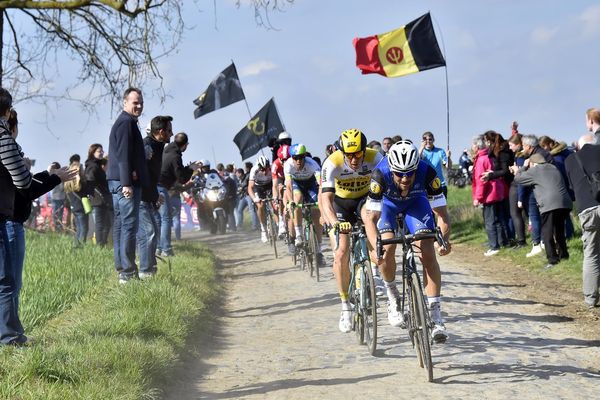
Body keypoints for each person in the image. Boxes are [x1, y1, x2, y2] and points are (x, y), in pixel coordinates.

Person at [366, 140, 451, 343]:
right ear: (392, 169)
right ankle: (393, 296)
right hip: (387, 206)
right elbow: (370, 219)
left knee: (428, 252)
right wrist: (376, 246)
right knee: (386, 249)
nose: (405, 179)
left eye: (410, 173)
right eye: (400, 174)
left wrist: (444, 240)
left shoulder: (427, 172)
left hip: (416, 204)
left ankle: (435, 314)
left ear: (416, 168)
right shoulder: (380, 175)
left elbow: (443, 215)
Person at [319, 129, 384, 333]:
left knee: (369, 219)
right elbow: (325, 200)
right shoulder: (332, 162)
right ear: (342, 152)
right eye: (349, 154)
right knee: (341, 252)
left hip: (364, 200)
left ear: (364, 150)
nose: (354, 159)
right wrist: (334, 223)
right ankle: (345, 305)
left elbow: (387, 187)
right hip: (340, 205)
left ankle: (375, 271)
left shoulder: (375, 157)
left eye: (357, 153)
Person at [106, 87, 150, 283]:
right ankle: (128, 273)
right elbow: (123, 155)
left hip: (118, 181)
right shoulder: (125, 123)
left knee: (122, 225)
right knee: (129, 226)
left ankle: (123, 268)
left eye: (140, 102)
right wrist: (127, 183)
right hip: (124, 184)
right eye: (135, 102)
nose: (139, 106)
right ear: (125, 103)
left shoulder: (128, 122)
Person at [0, 87, 32, 345]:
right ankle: (9, 338)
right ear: (7, 111)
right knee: (6, 281)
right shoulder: (3, 138)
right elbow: (22, 181)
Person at [511, 153, 572, 269]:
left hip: (549, 204)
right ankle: (564, 255)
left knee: (547, 232)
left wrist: (521, 168)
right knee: (558, 230)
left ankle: (552, 260)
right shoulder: (553, 167)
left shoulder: (535, 170)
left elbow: (518, 179)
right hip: (565, 203)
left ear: (532, 163)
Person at [565, 134, 600, 308]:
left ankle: (590, 298)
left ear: (579, 146)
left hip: (586, 209)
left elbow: (571, 186)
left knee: (591, 254)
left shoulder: (570, 160)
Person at [138, 115, 172, 278]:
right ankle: (145, 271)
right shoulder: (147, 147)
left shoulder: (157, 146)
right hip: (140, 197)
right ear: (160, 132)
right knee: (148, 232)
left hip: (149, 195)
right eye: (169, 131)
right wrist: (153, 195)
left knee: (154, 230)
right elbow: (142, 174)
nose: (171, 134)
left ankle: (151, 267)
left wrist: (155, 195)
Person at [158, 132, 201, 256]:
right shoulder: (175, 155)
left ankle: (158, 248)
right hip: (162, 187)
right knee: (166, 218)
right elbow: (181, 178)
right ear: (185, 145)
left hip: (156, 185)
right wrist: (191, 168)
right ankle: (166, 249)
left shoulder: (166, 149)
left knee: (158, 219)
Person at [283, 143, 324, 265]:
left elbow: (321, 185)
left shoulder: (312, 164)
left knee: (317, 212)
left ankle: (318, 250)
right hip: (297, 184)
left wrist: (321, 201)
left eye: (301, 157)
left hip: (311, 184)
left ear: (305, 157)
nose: (298, 161)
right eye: (295, 158)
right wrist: (290, 202)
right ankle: (299, 234)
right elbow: (289, 187)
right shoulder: (288, 165)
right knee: (297, 199)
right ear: (292, 158)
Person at [471, 135, 507, 256]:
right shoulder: (489, 156)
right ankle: (502, 241)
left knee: (490, 221)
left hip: (489, 194)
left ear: (477, 146)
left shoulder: (481, 159)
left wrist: (478, 198)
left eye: (473, 145)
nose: (472, 147)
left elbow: (481, 180)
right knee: (498, 219)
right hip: (497, 191)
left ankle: (494, 246)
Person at [521, 134, 553, 258]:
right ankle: (544, 242)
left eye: (524, 145)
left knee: (534, 216)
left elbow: (531, 175)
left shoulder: (535, 157)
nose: (523, 148)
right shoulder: (545, 153)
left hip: (537, 189)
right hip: (548, 188)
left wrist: (521, 170)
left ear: (529, 146)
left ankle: (536, 244)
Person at [480, 130, 513, 246]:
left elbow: (505, 170)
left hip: (509, 184)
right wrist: (493, 172)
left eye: (485, 141)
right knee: (502, 215)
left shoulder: (503, 152)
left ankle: (510, 238)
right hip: (503, 185)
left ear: (489, 141)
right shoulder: (497, 150)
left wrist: (491, 175)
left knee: (507, 214)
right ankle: (503, 239)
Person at [85, 144, 112, 246]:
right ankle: (100, 246)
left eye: (102, 151)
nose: (102, 153)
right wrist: (91, 189)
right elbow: (90, 179)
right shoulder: (92, 165)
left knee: (106, 224)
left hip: (102, 199)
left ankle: (102, 244)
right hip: (98, 199)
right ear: (93, 152)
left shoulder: (97, 164)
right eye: (99, 151)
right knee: (100, 225)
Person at [248, 155, 275, 243]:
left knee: (274, 202)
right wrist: (254, 198)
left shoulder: (272, 168)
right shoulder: (254, 170)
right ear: (259, 168)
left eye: (266, 169)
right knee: (260, 205)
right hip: (258, 187)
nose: (264, 172)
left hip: (269, 185)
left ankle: (279, 224)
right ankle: (263, 229)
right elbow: (250, 187)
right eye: (262, 170)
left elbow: (276, 183)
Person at [65, 154, 90, 246]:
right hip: (81, 207)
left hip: (74, 207)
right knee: (84, 228)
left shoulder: (69, 183)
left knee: (79, 228)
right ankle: (81, 246)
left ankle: (76, 245)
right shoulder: (80, 184)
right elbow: (85, 190)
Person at [507, 134, 528, 248]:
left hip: (517, 186)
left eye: (511, 145)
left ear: (518, 144)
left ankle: (521, 240)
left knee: (515, 214)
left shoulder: (520, 157)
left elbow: (521, 176)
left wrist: (520, 198)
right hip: (520, 186)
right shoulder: (521, 155)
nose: (510, 148)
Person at [419, 131, 451, 198]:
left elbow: (448, 166)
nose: (428, 141)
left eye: (430, 139)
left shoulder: (440, 151)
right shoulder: (421, 152)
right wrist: (421, 147)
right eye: (425, 139)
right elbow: (416, 161)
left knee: (441, 207)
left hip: (440, 184)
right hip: (426, 185)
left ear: (433, 140)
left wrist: (448, 157)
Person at [49, 161, 66, 232]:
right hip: (59, 198)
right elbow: (63, 188)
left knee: (55, 215)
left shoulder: (52, 175)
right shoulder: (60, 176)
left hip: (56, 198)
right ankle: (57, 229)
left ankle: (57, 229)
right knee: (58, 215)